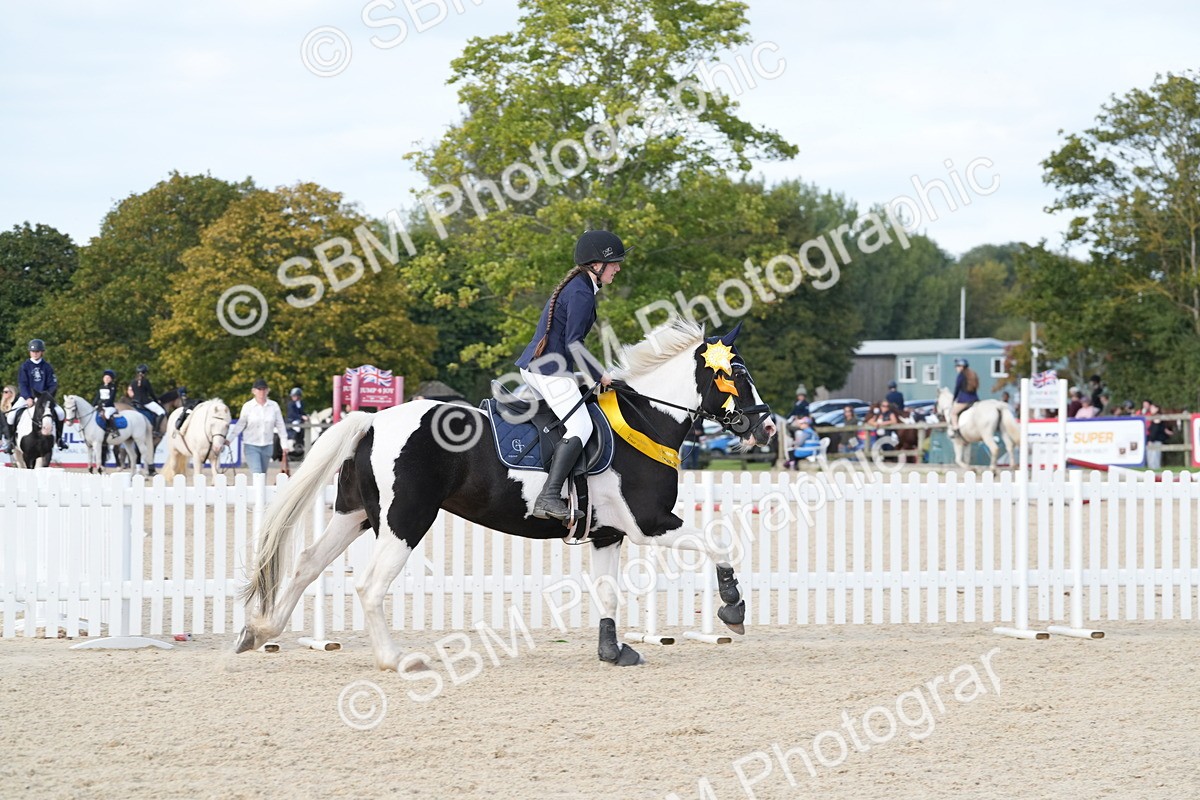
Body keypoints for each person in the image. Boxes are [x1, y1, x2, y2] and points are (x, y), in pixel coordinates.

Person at [515, 229, 628, 522]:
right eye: (614, 263)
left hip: (543, 366)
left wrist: (587, 375)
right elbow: (574, 343)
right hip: (548, 370)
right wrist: (599, 375)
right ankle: (549, 496)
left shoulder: (580, 286)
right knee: (581, 426)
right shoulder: (580, 293)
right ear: (596, 264)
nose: (617, 268)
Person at [5, 339, 66, 452]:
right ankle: (11, 441)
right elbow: (22, 384)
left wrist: (45, 397)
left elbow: (53, 384)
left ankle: (59, 439)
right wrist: (28, 397)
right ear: (30, 352)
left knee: (61, 413)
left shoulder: (47, 367)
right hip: (27, 397)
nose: (35, 353)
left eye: (37, 351)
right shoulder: (25, 366)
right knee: (11, 416)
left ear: (42, 352)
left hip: (44, 398)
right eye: (33, 351)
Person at [227, 379, 291, 475]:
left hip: (267, 445)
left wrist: (284, 445)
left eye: (264, 389)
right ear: (254, 391)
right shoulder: (248, 406)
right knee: (257, 473)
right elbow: (240, 424)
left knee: (263, 474)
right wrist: (229, 439)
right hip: (251, 445)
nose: (262, 392)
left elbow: (280, 426)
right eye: (259, 389)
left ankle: (261, 490)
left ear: (268, 391)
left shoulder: (274, 406)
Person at [948, 358, 979, 437]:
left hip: (964, 400)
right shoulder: (973, 374)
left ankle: (956, 430)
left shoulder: (961, 376)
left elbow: (957, 388)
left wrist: (954, 399)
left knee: (953, 413)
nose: (956, 368)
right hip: (975, 399)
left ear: (961, 367)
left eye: (957, 366)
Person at [129, 364, 166, 429]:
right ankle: (156, 430)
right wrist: (157, 400)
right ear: (145, 372)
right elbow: (151, 393)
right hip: (145, 402)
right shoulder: (145, 381)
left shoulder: (133, 382)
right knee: (162, 412)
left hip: (134, 401)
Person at [1145, 402, 1175, 469]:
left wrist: (1151, 440)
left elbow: (1155, 430)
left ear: (1157, 409)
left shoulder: (1157, 417)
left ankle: (1155, 472)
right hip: (1155, 440)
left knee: (1153, 458)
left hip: (1155, 440)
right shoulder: (1156, 417)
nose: (1151, 409)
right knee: (1153, 457)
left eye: (1152, 408)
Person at [93, 369, 121, 436]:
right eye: (105, 377)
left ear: (111, 379)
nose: (106, 379)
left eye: (108, 378)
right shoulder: (101, 386)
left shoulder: (113, 387)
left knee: (107, 415)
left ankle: (114, 430)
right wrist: (93, 405)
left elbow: (111, 398)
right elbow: (97, 397)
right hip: (101, 405)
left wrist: (105, 404)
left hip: (109, 406)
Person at [285, 387, 308, 455]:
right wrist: (301, 417)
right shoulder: (290, 404)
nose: (294, 397)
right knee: (297, 428)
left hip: (298, 420)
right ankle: (296, 443)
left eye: (295, 396)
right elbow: (292, 414)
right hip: (292, 420)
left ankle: (301, 442)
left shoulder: (300, 403)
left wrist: (306, 415)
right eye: (293, 396)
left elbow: (302, 412)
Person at [0, 384, 15, 452]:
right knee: (14, 459)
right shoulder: (1, 407)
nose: (4, 393)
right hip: (7, 436)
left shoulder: (16, 404)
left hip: (16, 435)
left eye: (6, 392)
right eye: (3, 392)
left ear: (12, 393)